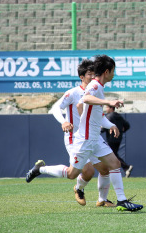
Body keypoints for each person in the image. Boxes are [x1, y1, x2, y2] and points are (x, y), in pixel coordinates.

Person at [26, 55, 143, 212]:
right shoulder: (94, 86)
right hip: (85, 139)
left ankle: (120, 200)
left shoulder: (98, 87)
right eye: (113, 71)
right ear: (107, 71)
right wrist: (108, 102)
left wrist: (110, 125)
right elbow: (85, 99)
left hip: (94, 138)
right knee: (71, 173)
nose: (114, 74)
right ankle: (40, 169)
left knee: (114, 164)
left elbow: (90, 110)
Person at [48, 58, 117, 207]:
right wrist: (64, 121)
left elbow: (100, 115)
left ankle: (102, 200)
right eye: (89, 74)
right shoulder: (73, 93)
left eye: (94, 74)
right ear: (82, 77)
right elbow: (55, 108)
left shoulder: (97, 90)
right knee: (86, 171)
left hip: (92, 137)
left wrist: (110, 125)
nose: (93, 77)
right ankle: (77, 188)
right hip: (75, 137)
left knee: (105, 169)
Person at [102, 104, 133, 178]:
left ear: (111, 108)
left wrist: (98, 130)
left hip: (111, 139)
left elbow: (104, 127)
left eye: (107, 107)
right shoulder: (119, 116)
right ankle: (125, 168)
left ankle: (125, 167)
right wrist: (122, 131)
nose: (106, 109)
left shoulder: (109, 116)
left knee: (111, 155)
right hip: (118, 138)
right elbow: (127, 125)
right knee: (114, 154)